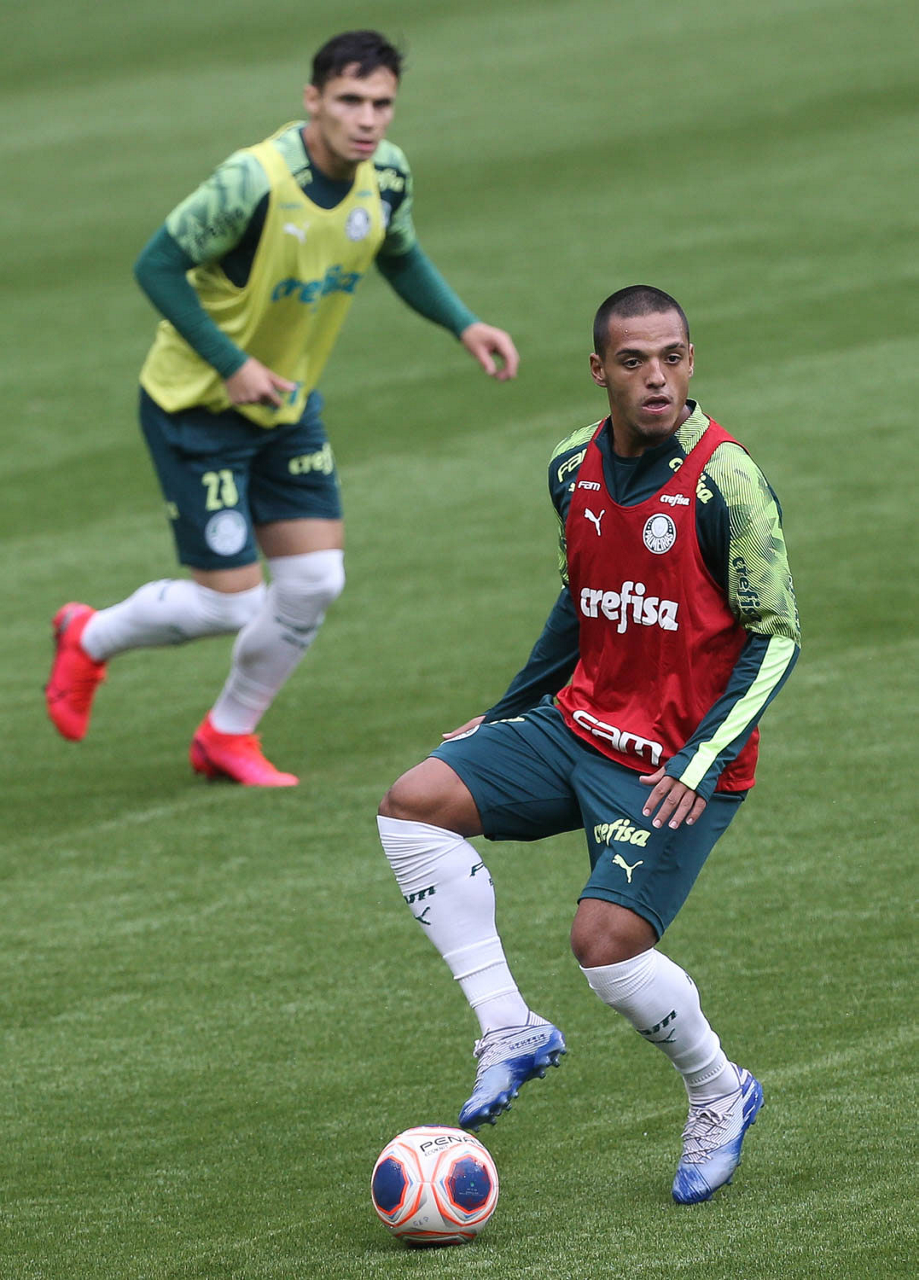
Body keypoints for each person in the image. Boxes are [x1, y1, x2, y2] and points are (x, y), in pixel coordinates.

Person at [377, 285, 800, 1204]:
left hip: (675, 766)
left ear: (690, 361)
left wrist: (698, 761)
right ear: (600, 370)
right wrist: (506, 709)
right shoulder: (572, 466)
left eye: (673, 358)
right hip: (576, 724)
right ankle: (508, 1027)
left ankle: (719, 1091)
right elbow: (582, 600)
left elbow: (775, 635)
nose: (658, 378)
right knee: (412, 805)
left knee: (603, 947)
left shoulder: (725, 480)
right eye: (635, 362)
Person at [45, 29, 518, 786]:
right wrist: (231, 364)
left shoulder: (386, 174)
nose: (367, 119)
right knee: (228, 605)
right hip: (196, 404)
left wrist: (464, 324)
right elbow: (157, 264)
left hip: (287, 404)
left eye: (382, 104)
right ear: (313, 99)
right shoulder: (252, 182)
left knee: (314, 580)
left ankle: (227, 734)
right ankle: (88, 636)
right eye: (350, 100)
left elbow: (397, 251)